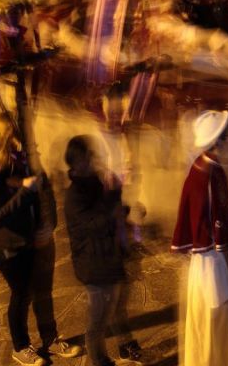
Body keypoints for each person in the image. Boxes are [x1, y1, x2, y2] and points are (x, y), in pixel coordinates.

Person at [0, 112, 81, 366]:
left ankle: (51, 339)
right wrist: (24, 191)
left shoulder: (24, 163)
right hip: (10, 247)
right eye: (14, 137)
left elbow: (44, 195)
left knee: (44, 292)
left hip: (37, 240)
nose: (20, 143)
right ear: (2, 139)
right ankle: (21, 346)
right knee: (22, 295)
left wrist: (47, 225)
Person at [171, 110, 228, 366]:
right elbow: (211, 235)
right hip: (219, 266)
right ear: (219, 140)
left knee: (227, 329)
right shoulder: (209, 174)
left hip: (227, 260)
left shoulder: (218, 166)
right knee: (224, 330)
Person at [63, 135, 142, 366]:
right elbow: (91, 226)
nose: (95, 160)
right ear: (77, 163)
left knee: (113, 308)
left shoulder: (93, 181)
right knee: (97, 322)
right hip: (93, 264)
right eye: (89, 156)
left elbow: (108, 208)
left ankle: (120, 347)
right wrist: (115, 210)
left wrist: (119, 199)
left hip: (107, 257)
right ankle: (99, 361)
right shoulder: (75, 196)